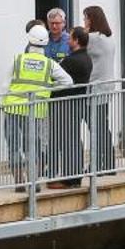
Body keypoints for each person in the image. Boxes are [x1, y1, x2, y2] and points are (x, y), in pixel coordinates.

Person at [1, 23, 69, 189]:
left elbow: (4, 86)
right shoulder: (49, 64)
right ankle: (34, 182)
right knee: (34, 147)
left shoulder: (17, 60)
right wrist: (49, 88)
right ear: (46, 43)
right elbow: (68, 82)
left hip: (13, 109)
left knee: (14, 147)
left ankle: (19, 183)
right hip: (36, 111)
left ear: (29, 41)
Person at [51, 27, 93, 187]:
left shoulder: (72, 60)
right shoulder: (86, 58)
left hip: (67, 104)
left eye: (70, 38)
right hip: (77, 103)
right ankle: (73, 176)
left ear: (76, 41)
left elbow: (55, 77)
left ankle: (71, 179)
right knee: (73, 139)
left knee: (68, 140)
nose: (68, 41)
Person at [82, 5, 118, 174]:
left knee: (96, 127)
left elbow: (77, 42)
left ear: (91, 19)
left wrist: (83, 30)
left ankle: (99, 163)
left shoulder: (94, 38)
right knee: (102, 125)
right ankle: (109, 162)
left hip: (95, 88)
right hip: (106, 86)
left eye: (85, 18)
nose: (84, 22)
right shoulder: (108, 38)